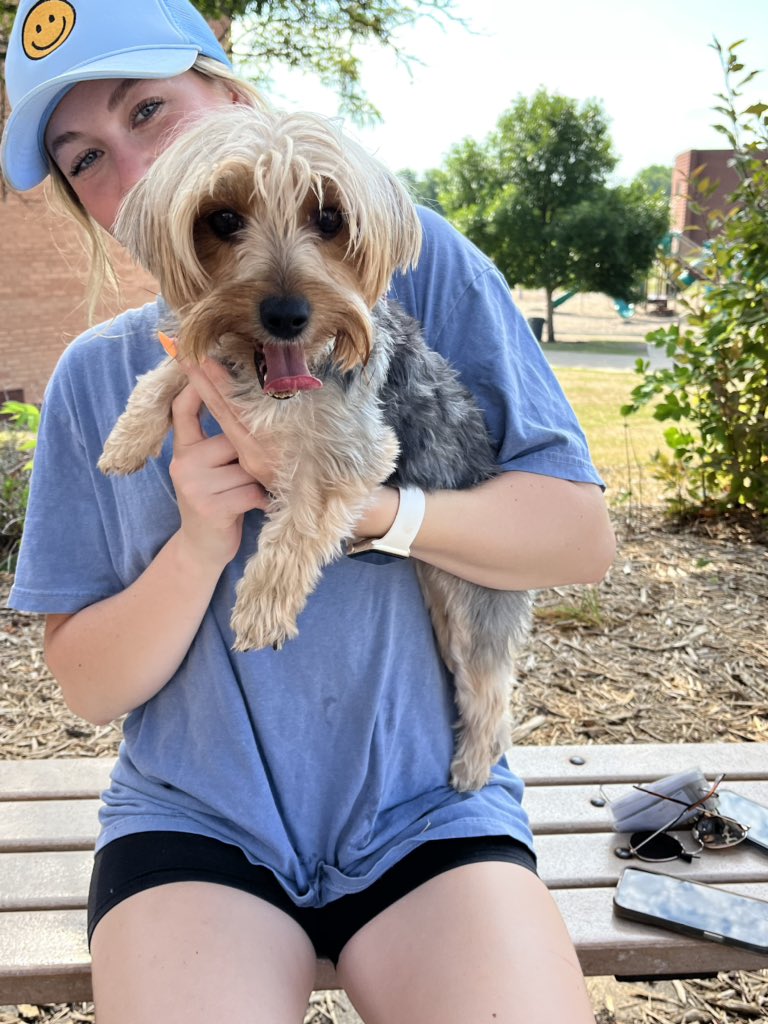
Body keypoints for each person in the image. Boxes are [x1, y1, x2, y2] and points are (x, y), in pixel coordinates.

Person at [2, 1, 615, 1021]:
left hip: (428, 812)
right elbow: (88, 686)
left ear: (232, 95)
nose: (137, 170)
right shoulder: (92, 378)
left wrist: (371, 511)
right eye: (86, 159)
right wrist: (201, 543)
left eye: (148, 109)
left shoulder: (410, 262)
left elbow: (577, 539)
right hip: (196, 823)